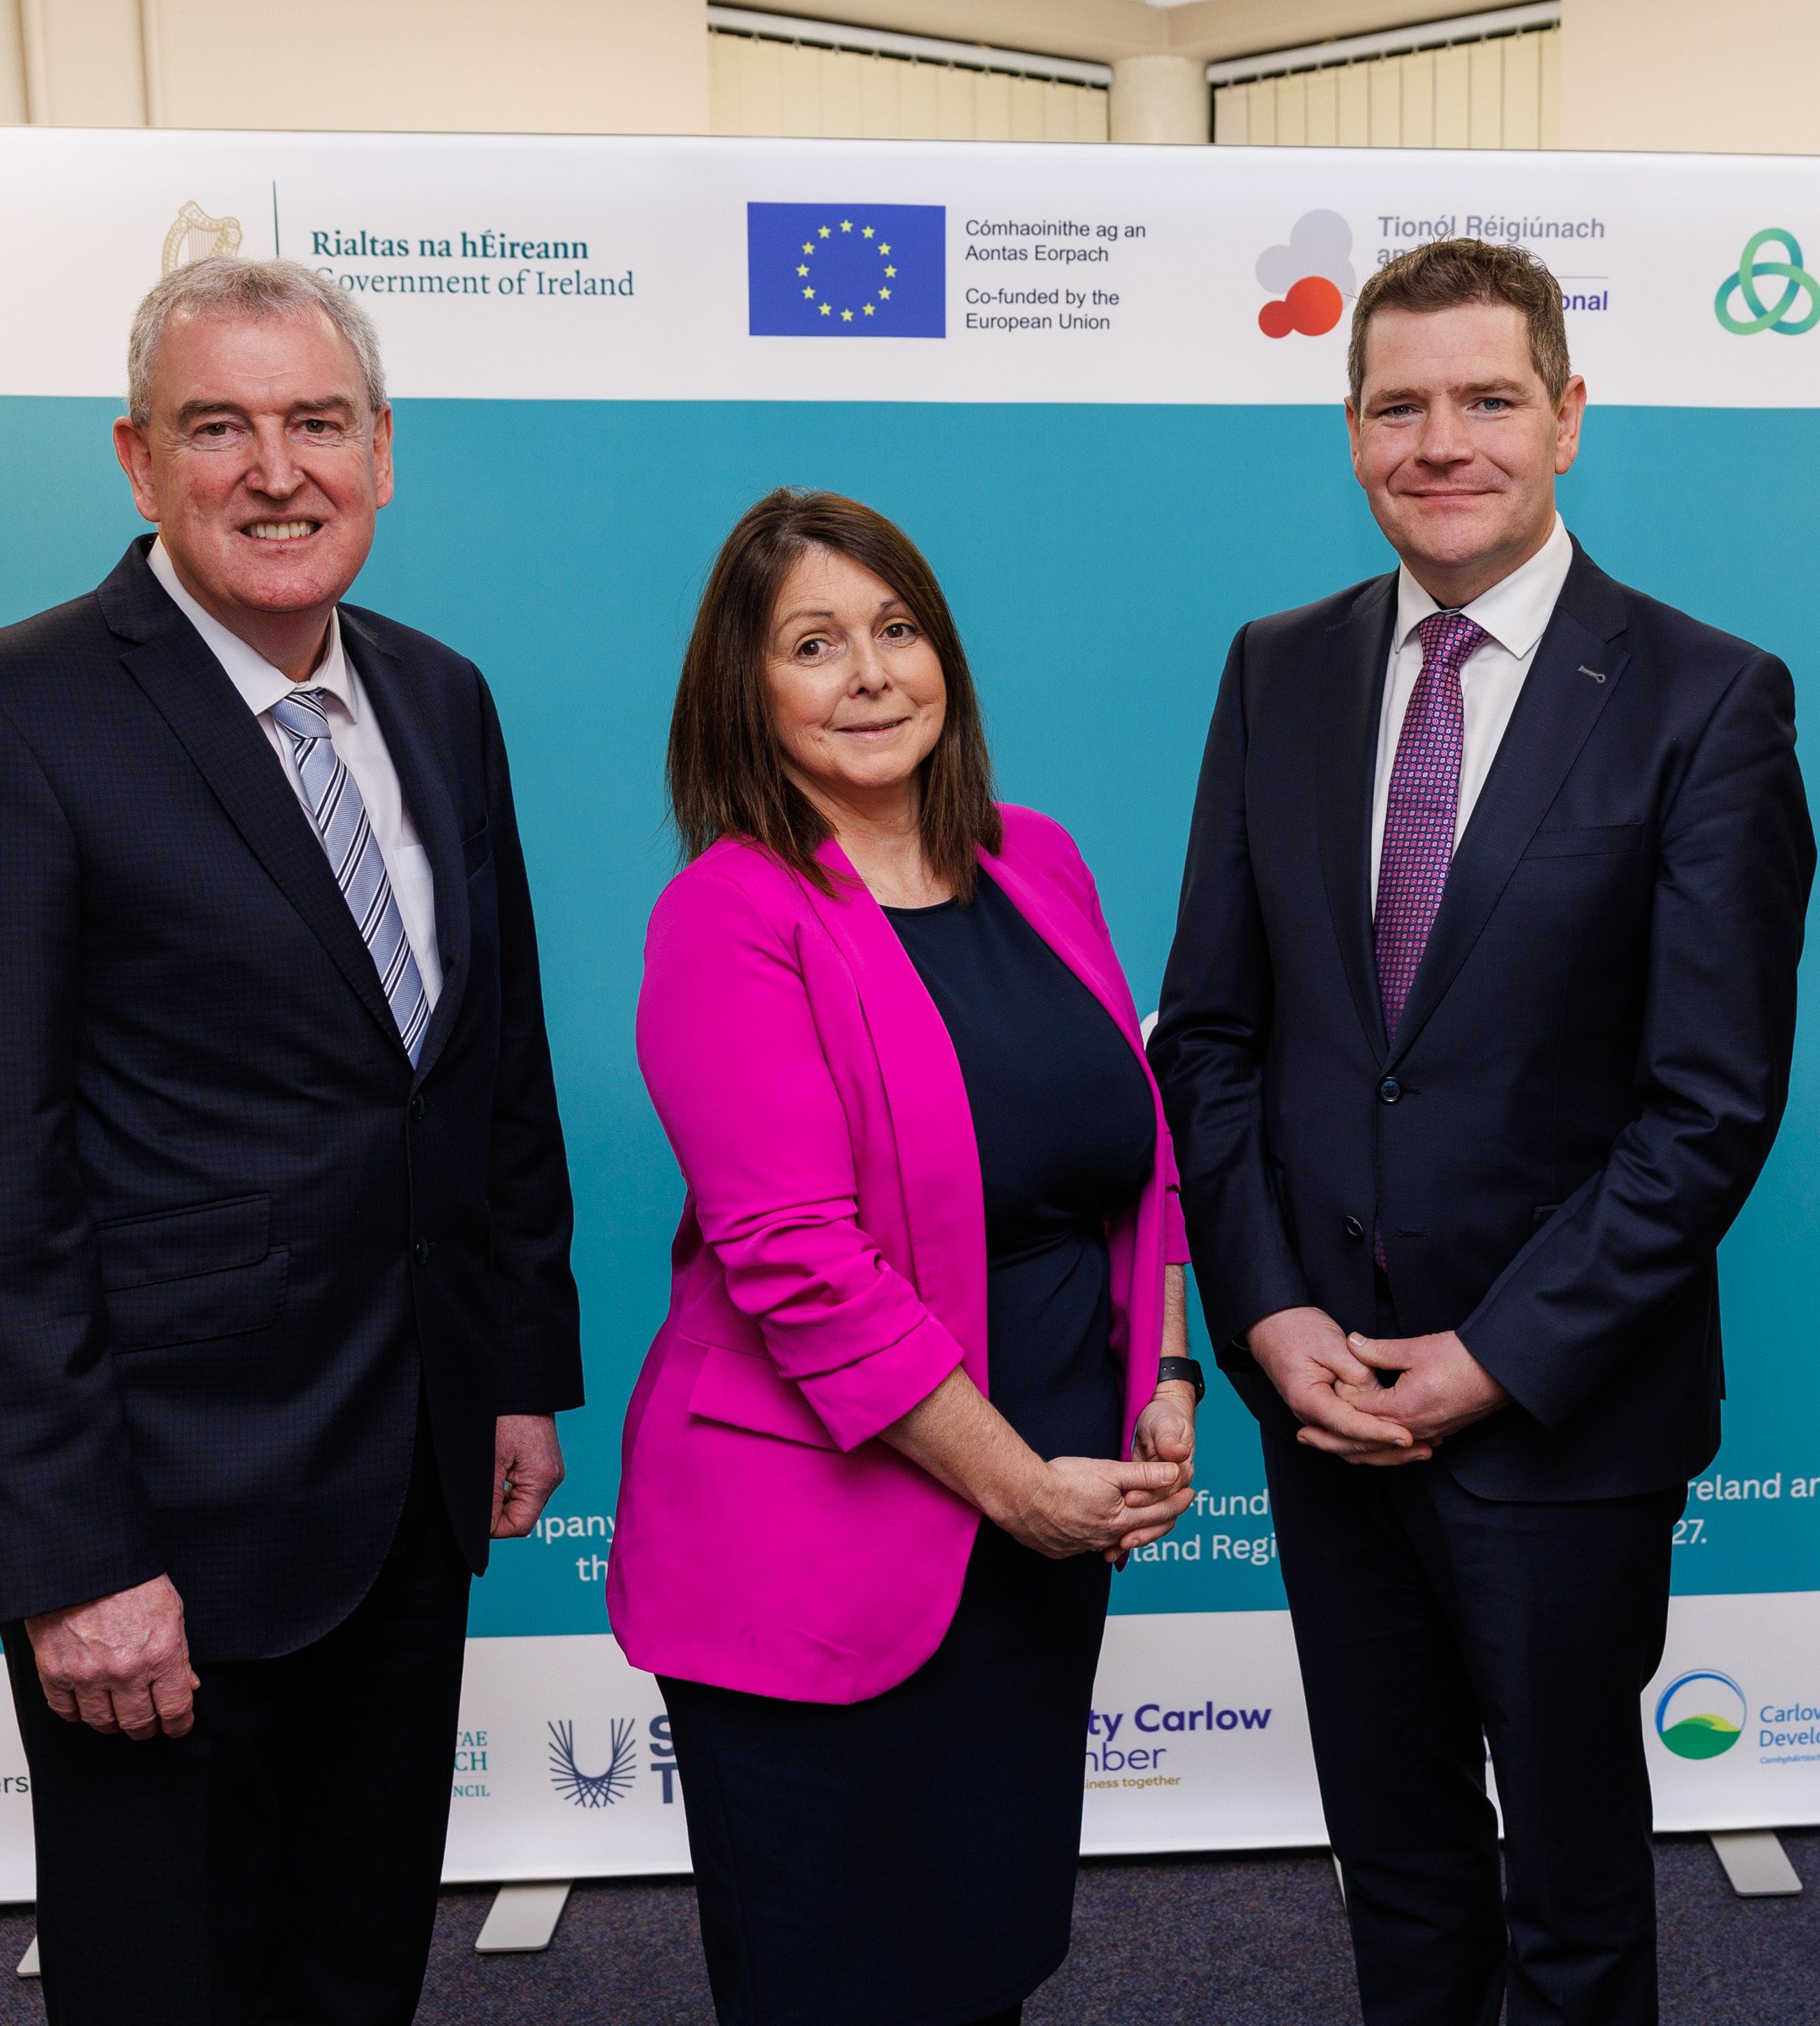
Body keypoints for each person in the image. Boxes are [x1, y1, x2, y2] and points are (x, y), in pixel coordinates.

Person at [0, 257, 582, 2023]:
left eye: (316, 422)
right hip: (158, 1527)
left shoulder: (439, 696)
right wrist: (75, 1557)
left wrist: (510, 1371)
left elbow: (489, 1068)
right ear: (136, 463)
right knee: (172, 1989)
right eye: (219, 427)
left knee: (352, 1973)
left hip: (408, 1482)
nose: (278, 470)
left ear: (383, 451)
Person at [1151, 239, 1815, 2026]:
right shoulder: (1273, 672)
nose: (1442, 442)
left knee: (1575, 1891)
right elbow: (1211, 1034)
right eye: (1398, 404)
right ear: (1353, 430)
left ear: (1569, 419)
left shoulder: (1706, 697)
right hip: (1324, 1398)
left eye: (1487, 399)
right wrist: (1274, 1319)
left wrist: (1497, 1359)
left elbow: (1710, 1103)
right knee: (1401, 1864)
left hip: (1561, 1412)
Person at [607, 488, 1200, 2026]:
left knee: (983, 1951)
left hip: (1035, 1542)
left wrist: (1172, 1371)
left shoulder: (1036, 864)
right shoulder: (728, 916)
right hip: (820, 1551)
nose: (870, 674)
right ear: (746, 691)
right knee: (839, 1981)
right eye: (814, 644)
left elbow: (1149, 1153)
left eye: (896, 629)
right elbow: (794, 1258)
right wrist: (1016, 1483)